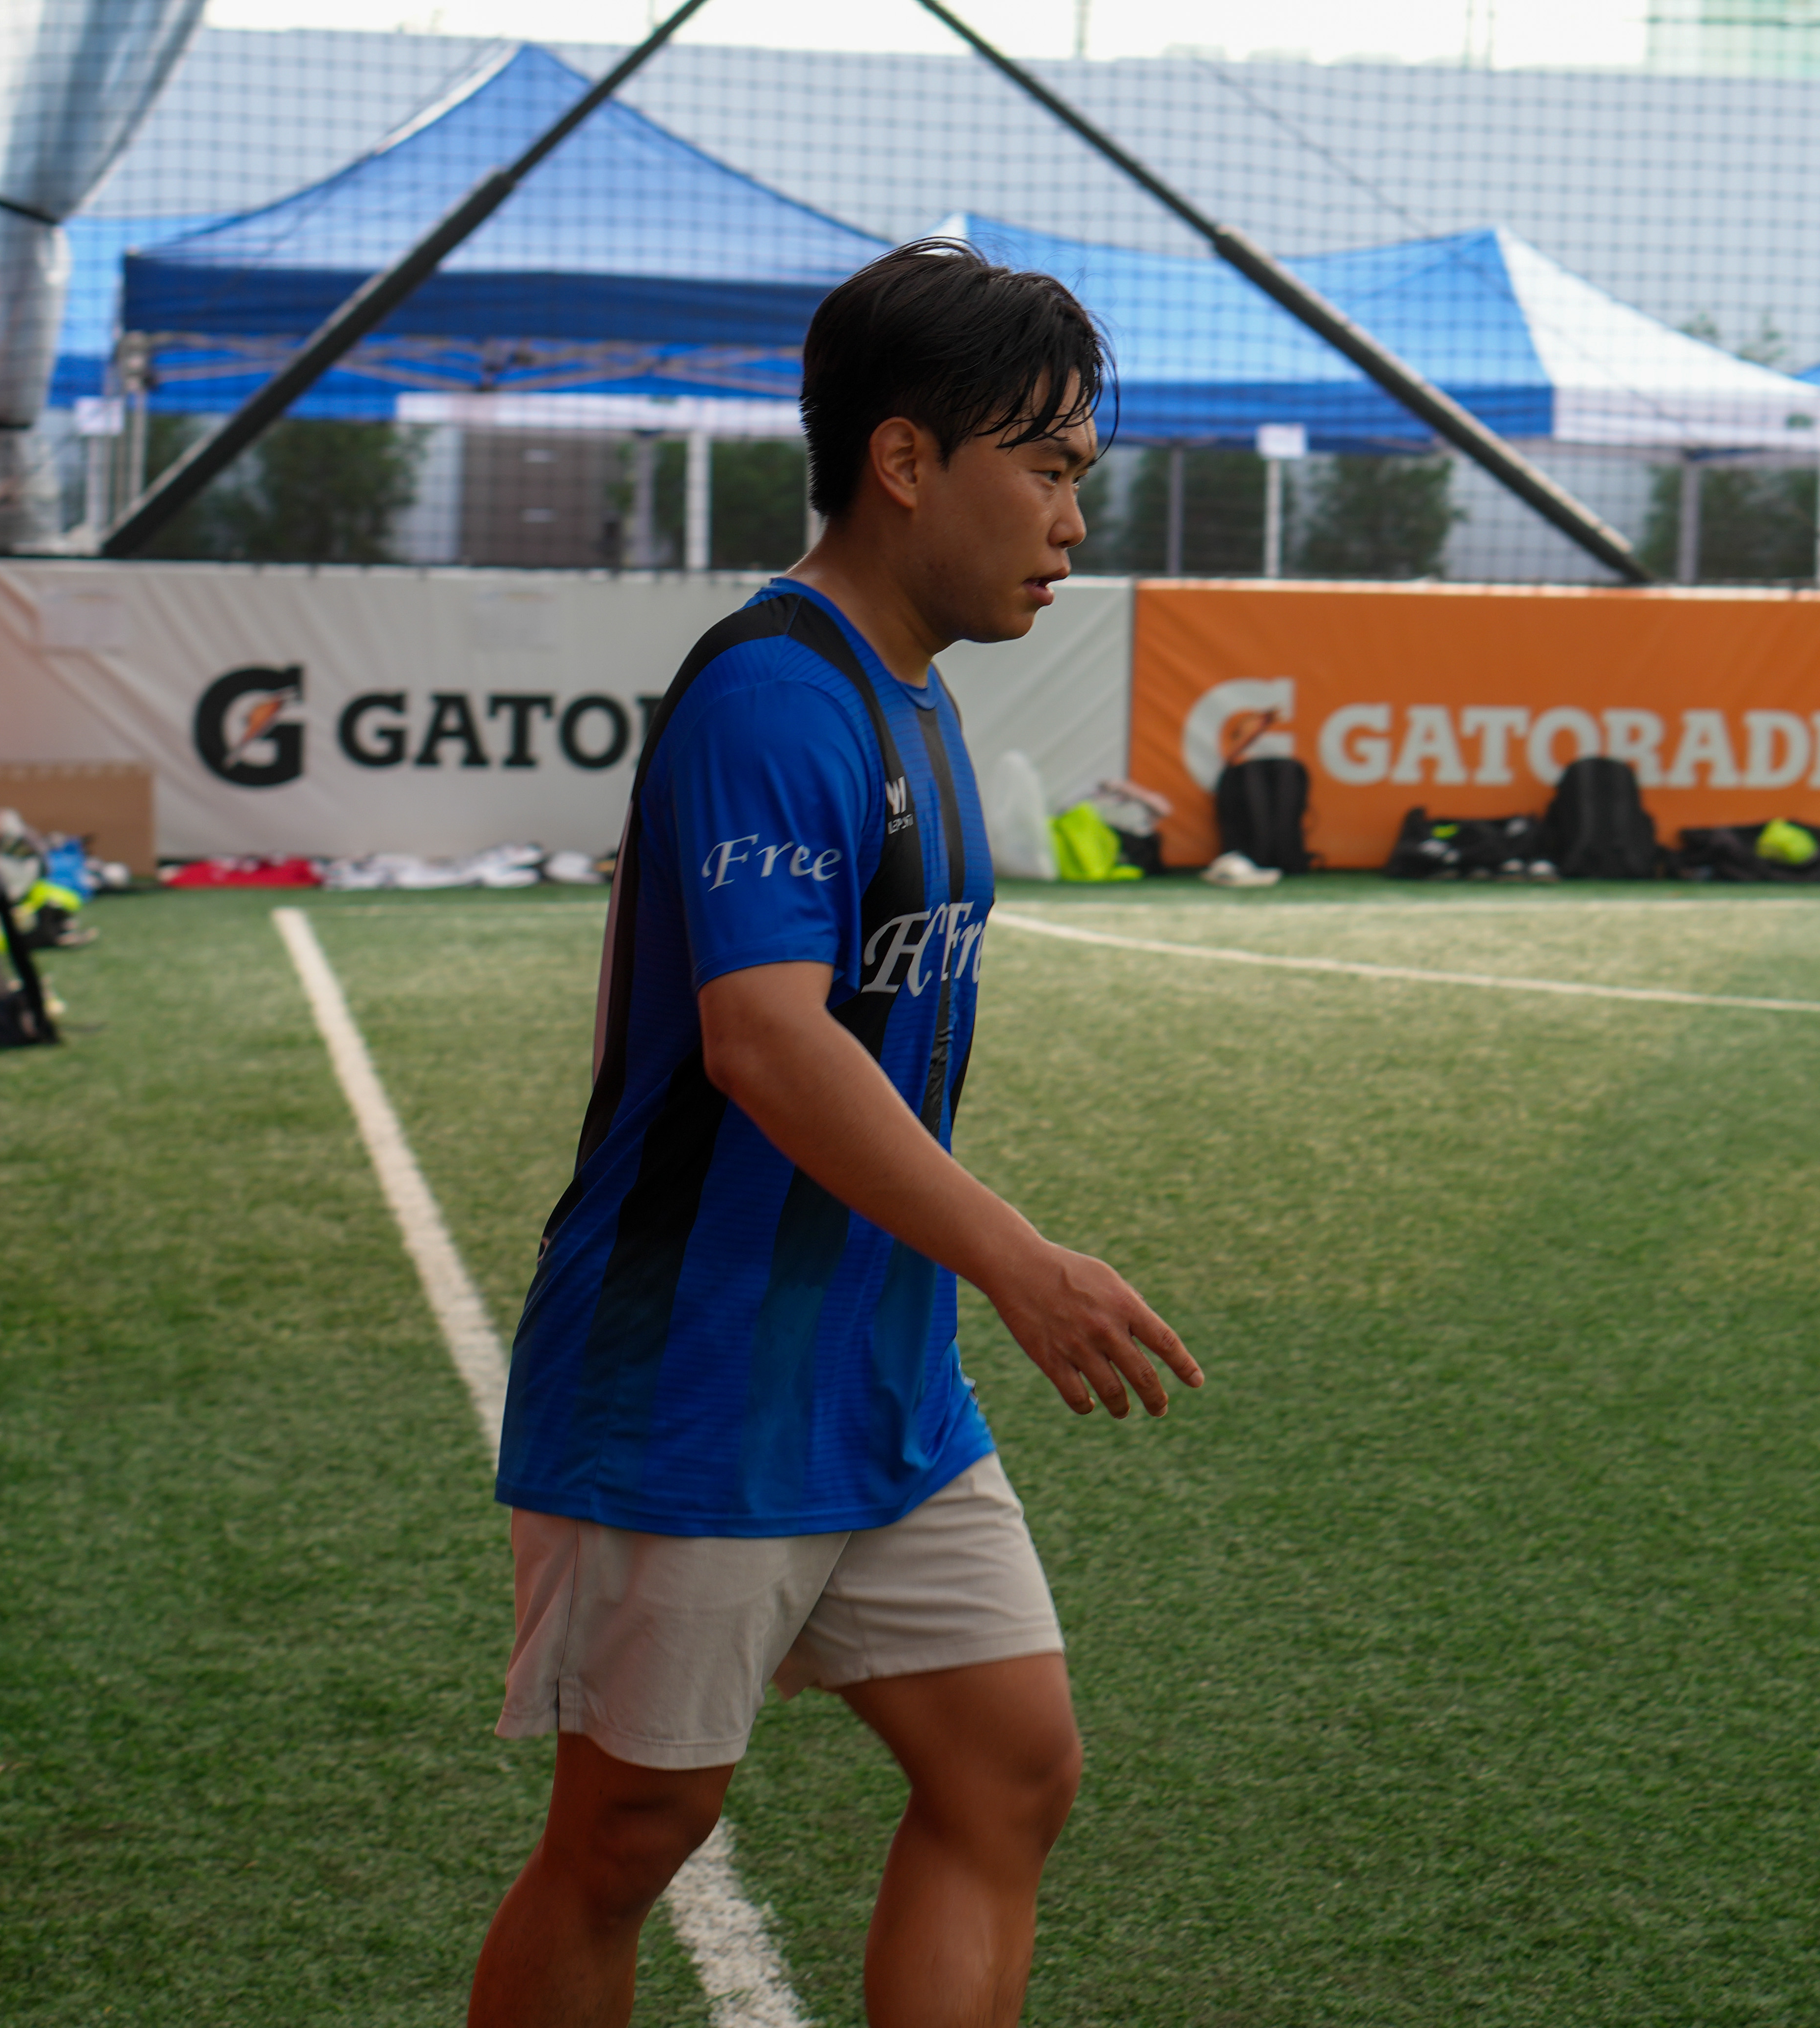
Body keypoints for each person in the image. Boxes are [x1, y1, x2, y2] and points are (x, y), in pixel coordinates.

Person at [468, 240, 1200, 2028]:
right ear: (903, 461)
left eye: (1081, 479)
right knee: (627, 1839)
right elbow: (764, 1041)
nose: (1071, 524)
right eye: (1047, 470)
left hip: (881, 1383)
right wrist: (1021, 1263)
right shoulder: (776, 694)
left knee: (1009, 1772)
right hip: (694, 1379)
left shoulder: (916, 692)